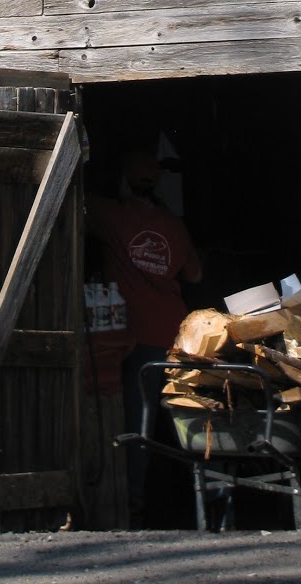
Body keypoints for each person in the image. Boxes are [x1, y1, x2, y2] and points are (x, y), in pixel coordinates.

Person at [86, 148, 202, 524]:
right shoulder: (174, 225)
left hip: (138, 342)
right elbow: (195, 277)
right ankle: (197, 505)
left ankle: (133, 510)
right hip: (179, 339)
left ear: (123, 181)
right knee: (186, 424)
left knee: (139, 425)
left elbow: (73, 201)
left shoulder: (112, 215)